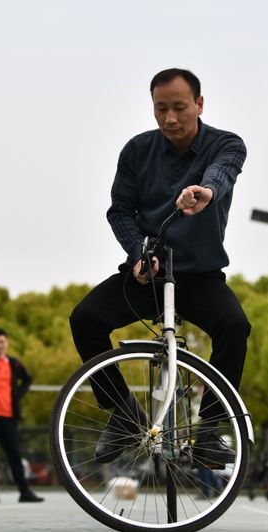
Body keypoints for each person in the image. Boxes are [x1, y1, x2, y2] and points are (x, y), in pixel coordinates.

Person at [69, 67, 250, 468]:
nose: (170, 118)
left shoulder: (226, 144)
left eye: (179, 108)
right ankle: (122, 412)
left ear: (199, 104)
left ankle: (210, 430)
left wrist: (206, 191)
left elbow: (222, 172)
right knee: (85, 319)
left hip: (200, 276)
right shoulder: (137, 150)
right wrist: (139, 253)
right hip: (149, 273)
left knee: (235, 327)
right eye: (160, 108)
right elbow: (120, 211)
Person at [0, 328, 43, 503]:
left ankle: (24, 492)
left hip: (9, 416)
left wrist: (17, 396)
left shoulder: (13, 363)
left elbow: (27, 379)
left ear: (7, 343)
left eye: (1, 342)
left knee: (15, 454)